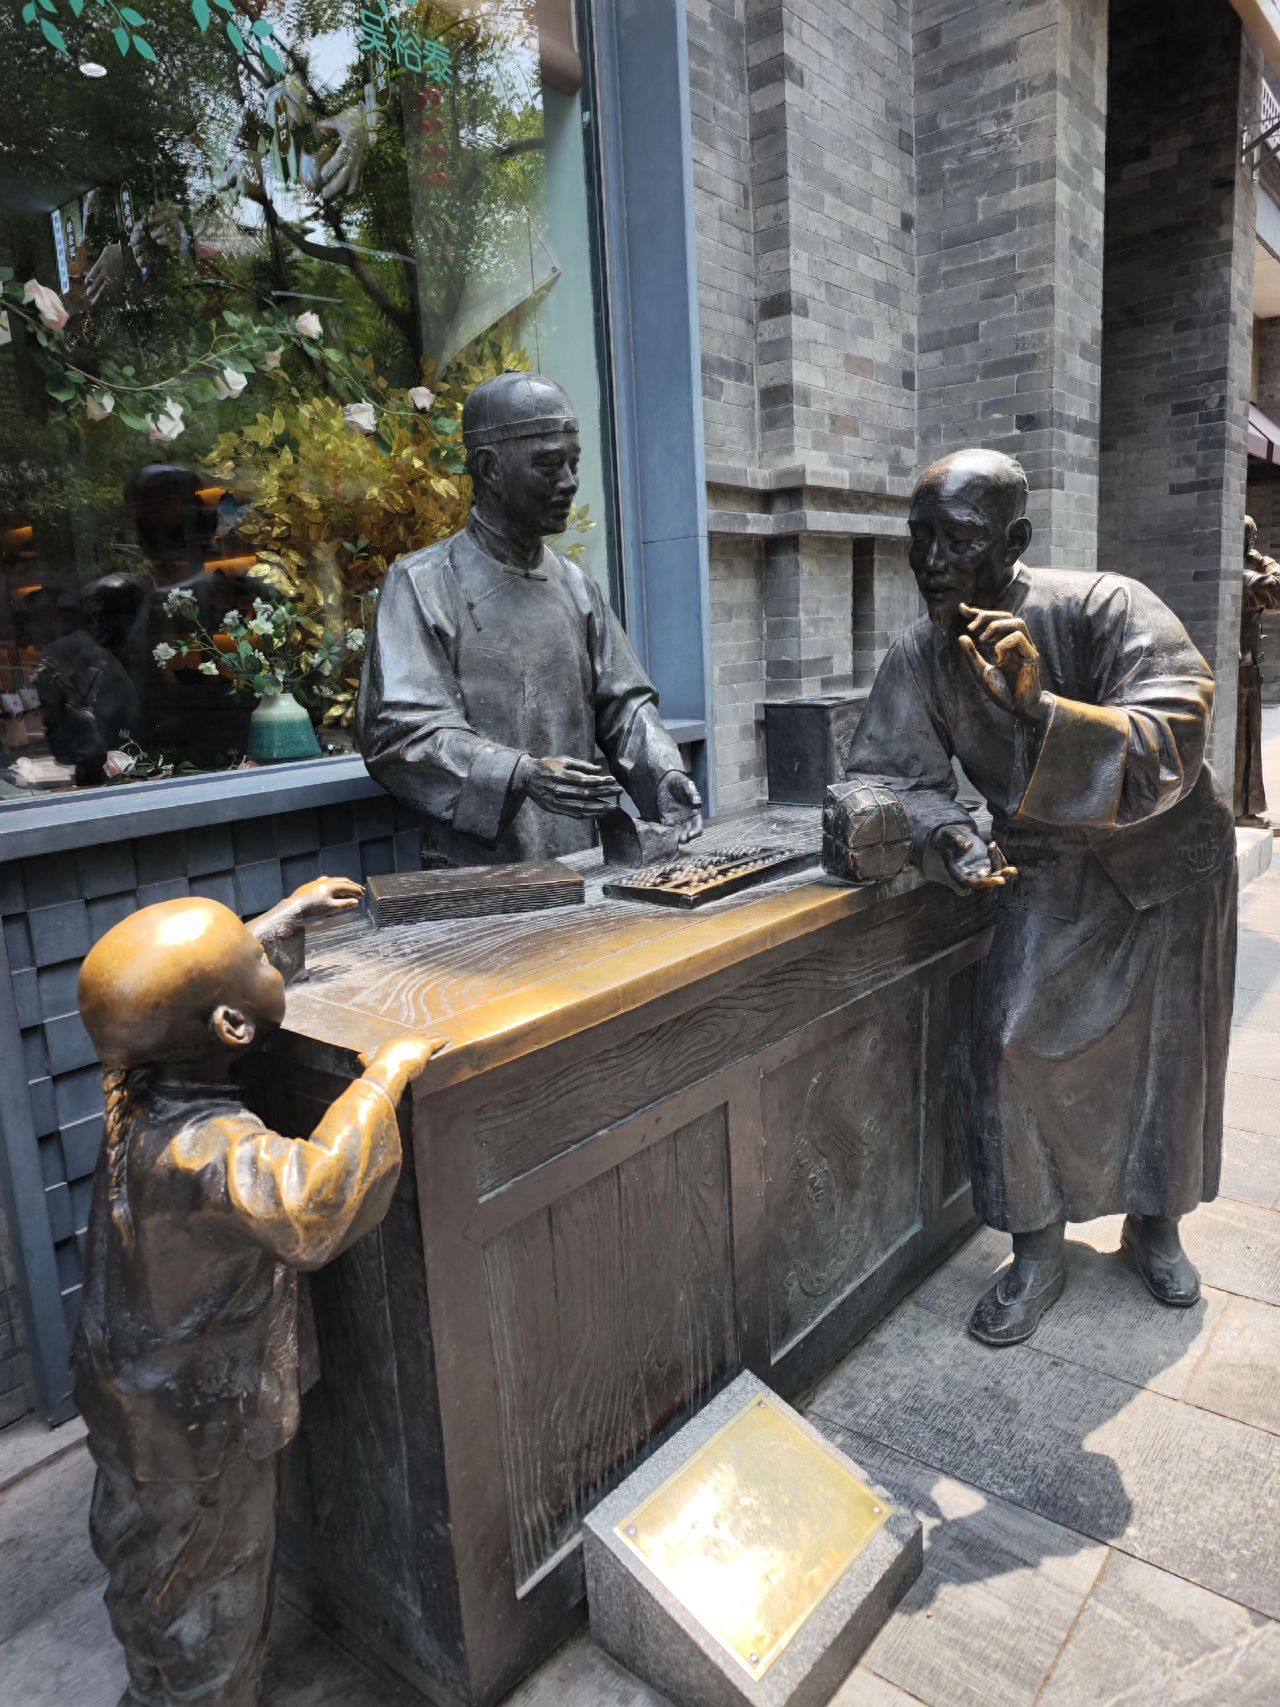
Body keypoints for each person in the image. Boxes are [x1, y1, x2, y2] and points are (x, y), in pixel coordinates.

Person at [845, 448, 1236, 1346]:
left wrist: (1042, 710)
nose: (934, 561)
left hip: (1166, 862)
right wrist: (946, 832)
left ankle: (1157, 1226)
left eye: (959, 540)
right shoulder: (920, 653)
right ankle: (1036, 1251)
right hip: (1045, 867)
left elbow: (1178, 723)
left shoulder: (1103, 606)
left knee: (1169, 1061)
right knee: (1009, 1042)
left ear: (1014, 541)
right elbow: (888, 773)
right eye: (920, 538)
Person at [71, 877, 443, 1706]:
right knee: (210, 1594)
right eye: (253, 953)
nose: (261, 945)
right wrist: (384, 1077)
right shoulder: (209, 1148)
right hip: (198, 1434)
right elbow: (314, 1201)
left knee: (150, 1576)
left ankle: (160, 1688)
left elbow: (214, 1001)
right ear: (230, 1027)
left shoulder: (137, 1102)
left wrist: (275, 926)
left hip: (134, 1417)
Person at [356, 372, 703, 864]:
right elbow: (400, 733)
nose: (569, 482)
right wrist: (520, 774)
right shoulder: (421, 583)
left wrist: (664, 773)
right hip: (478, 880)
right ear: (491, 468)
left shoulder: (575, 585)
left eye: (573, 463)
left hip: (583, 862)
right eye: (547, 464)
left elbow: (624, 705)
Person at [1236, 515, 1280, 825]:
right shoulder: (1245, 579)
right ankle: (1241, 811)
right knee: (1245, 744)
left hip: (1241, 671)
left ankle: (1243, 809)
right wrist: (1265, 560)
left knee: (1246, 743)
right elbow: (1278, 590)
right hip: (1242, 675)